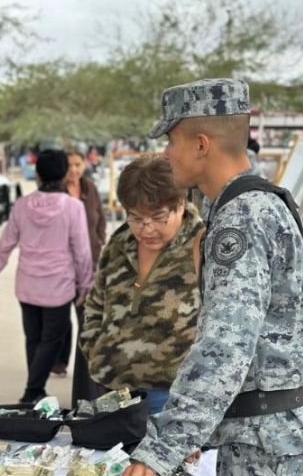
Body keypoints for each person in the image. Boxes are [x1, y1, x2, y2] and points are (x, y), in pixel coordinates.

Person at [124, 79, 303, 476]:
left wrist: (163, 448)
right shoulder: (263, 202)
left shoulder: (240, 219)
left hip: (268, 449)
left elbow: (225, 347)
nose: (165, 154)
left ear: (201, 144)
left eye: (171, 141)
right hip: (280, 437)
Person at [79, 156, 203, 415]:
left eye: (158, 218)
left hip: (175, 397)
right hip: (112, 390)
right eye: (135, 217)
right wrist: (95, 349)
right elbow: (96, 302)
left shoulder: (203, 245)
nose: (146, 229)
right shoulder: (120, 242)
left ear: (180, 204)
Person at [0, 149, 94, 404]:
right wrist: (86, 283)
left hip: (27, 285)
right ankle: (33, 391)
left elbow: (6, 243)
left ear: (37, 173)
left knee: (33, 338)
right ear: (65, 174)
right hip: (58, 287)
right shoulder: (73, 207)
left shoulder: (22, 206)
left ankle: (36, 387)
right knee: (51, 340)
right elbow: (82, 250)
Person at [52, 151, 105, 389]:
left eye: (78, 164)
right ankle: (60, 361)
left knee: (85, 315)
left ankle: (84, 368)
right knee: (63, 318)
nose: (74, 169)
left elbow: (100, 220)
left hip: (90, 264)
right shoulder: (56, 191)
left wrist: (99, 242)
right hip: (63, 266)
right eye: (70, 165)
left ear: (84, 165)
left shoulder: (90, 189)